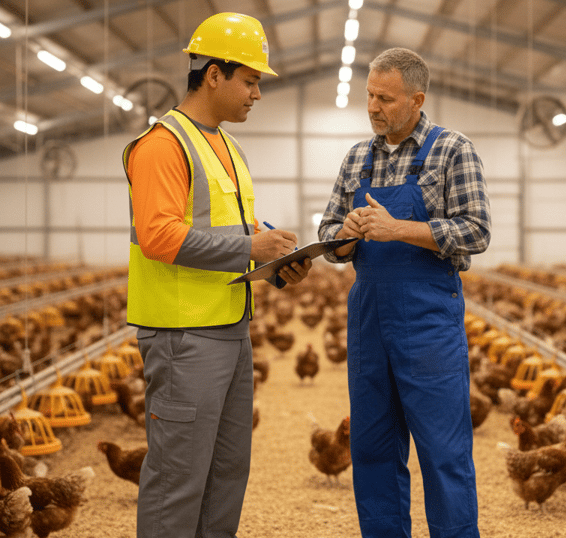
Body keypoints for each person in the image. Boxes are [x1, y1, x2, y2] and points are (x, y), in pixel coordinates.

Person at [123, 13, 311, 538]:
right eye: (249, 80)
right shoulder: (162, 145)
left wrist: (274, 263)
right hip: (182, 335)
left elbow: (236, 230)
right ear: (213, 75)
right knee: (177, 478)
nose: (256, 93)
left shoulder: (227, 147)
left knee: (226, 473)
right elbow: (160, 236)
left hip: (230, 328)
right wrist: (251, 246)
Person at [318, 47, 491, 538]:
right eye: (369, 95)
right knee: (371, 448)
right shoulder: (356, 157)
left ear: (416, 100)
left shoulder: (451, 150)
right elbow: (329, 230)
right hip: (369, 317)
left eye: (385, 99)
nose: (372, 107)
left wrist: (402, 229)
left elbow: (476, 230)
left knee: (443, 453)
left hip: (428, 320)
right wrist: (344, 235)